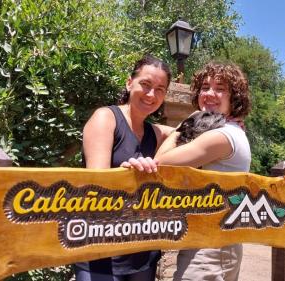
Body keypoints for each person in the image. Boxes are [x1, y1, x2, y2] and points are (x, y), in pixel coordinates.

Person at [122, 61, 252, 281]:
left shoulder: (222, 136)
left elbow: (161, 163)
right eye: (205, 87)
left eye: (220, 89)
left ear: (234, 99)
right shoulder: (230, 132)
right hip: (215, 243)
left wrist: (186, 123)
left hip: (210, 248)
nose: (210, 93)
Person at [75, 54, 174, 281]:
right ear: (129, 83)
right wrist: (125, 174)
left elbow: (188, 133)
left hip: (142, 254)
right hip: (99, 251)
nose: (151, 94)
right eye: (145, 84)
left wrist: (228, 120)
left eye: (160, 89)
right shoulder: (106, 118)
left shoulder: (156, 133)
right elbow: (96, 185)